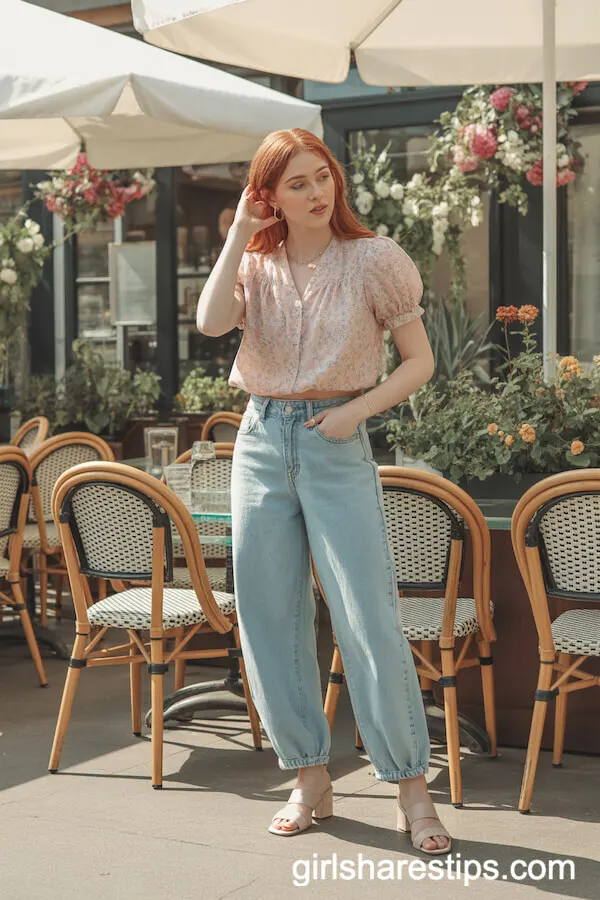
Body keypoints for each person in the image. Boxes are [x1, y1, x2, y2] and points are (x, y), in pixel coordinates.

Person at [196, 129, 450, 854]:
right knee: (271, 618)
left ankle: (411, 789)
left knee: (367, 618)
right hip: (261, 442)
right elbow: (212, 322)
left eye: (322, 177)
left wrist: (353, 412)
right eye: (297, 183)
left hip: (337, 441)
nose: (316, 193)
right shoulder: (256, 261)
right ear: (268, 193)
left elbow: (419, 361)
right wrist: (241, 231)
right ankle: (309, 776)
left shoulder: (374, 260)